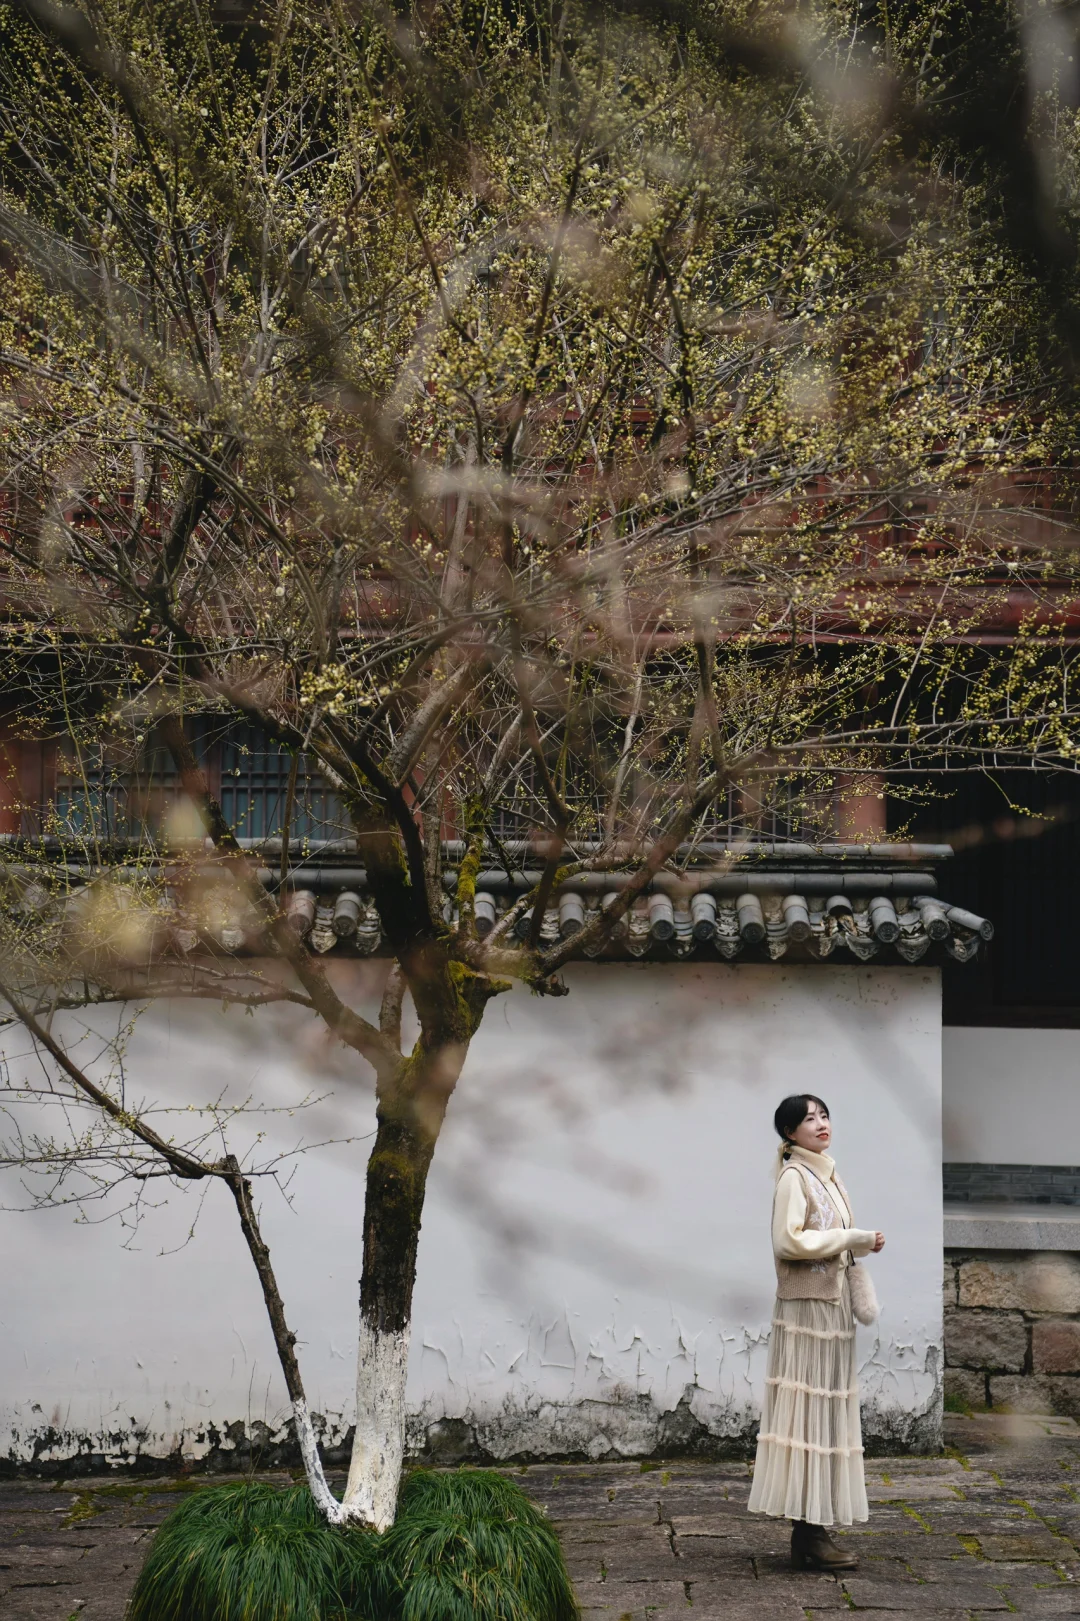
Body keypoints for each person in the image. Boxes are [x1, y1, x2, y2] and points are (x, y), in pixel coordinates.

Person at [747, 1094, 885, 1572]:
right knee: (808, 1414)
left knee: (825, 1414)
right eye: (809, 1119)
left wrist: (858, 1243)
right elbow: (788, 1241)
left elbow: (827, 1238)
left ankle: (810, 1531)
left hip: (832, 1308)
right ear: (790, 1133)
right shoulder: (794, 1176)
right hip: (807, 1311)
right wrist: (853, 1238)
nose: (821, 1123)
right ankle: (808, 1532)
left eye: (824, 1115)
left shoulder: (828, 1174)